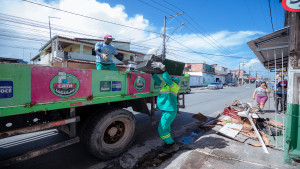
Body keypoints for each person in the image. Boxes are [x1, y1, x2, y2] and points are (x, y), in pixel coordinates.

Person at [151, 61, 181, 154]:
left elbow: (167, 79)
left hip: (170, 111)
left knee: (162, 129)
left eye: (171, 79)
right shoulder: (165, 86)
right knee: (166, 128)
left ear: (174, 81)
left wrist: (163, 69)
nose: (169, 79)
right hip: (167, 110)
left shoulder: (174, 86)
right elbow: (158, 80)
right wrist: (152, 73)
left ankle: (172, 145)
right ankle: (168, 143)